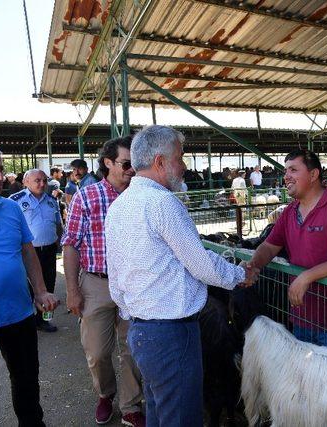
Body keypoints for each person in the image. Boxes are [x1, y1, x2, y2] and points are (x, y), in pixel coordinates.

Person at [105, 125, 258, 426]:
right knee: (181, 417)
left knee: (160, 412)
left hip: (142, 330)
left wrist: (132, 311)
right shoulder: (164, 204)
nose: (185, 165)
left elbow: (116, 275)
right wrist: (240, 275)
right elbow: (200, 264)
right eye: (181, 156)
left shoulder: (120, 205)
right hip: (172, 334)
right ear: (160, 162)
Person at [62, 137, 145, 426]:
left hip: (133, 283)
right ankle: (105, 394)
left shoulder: (142, 196)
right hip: (97, 283)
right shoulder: (87, 197)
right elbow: (71, 243)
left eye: (134, 163)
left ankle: (131, 404)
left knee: (133, 346)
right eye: (126, 163)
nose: (131, 169)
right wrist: (73, 290)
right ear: (108, 163)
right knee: (97, 352)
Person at [248, 149, 327, 352]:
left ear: (313, 175)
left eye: (293, 170)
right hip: (303, 318)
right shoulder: (289, 212)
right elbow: (268, 246)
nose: (286, 176)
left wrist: (306, 277)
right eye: (285, 171)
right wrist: (252, 265)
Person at [0, 147, 59, 426]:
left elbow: (28, 252)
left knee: (27, 382)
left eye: (0, 169)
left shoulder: (13, 208)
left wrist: (40, 290)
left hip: (19, 314)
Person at [10, 169, 63, 333]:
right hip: (27, 253)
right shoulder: (15, 201)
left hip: (48, 251)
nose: (42, 184)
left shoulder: (51, 201)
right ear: (26, 182)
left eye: (44, 180)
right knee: (26, 288)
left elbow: (58, 224)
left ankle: (44, 320)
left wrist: (58, 241)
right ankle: (24, 322)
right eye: (37, 180)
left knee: (49, 285)